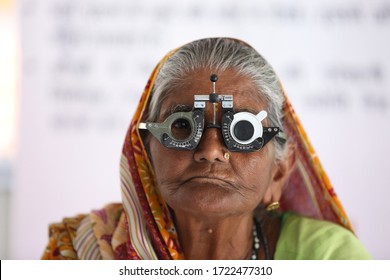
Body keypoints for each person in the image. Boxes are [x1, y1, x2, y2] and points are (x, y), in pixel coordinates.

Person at [42, 37, 371, 260]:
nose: (211, 150)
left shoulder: (327, 257)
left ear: (280, 171)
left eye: (242, 130)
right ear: (145, 156)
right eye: (182, 126)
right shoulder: (84, 252)